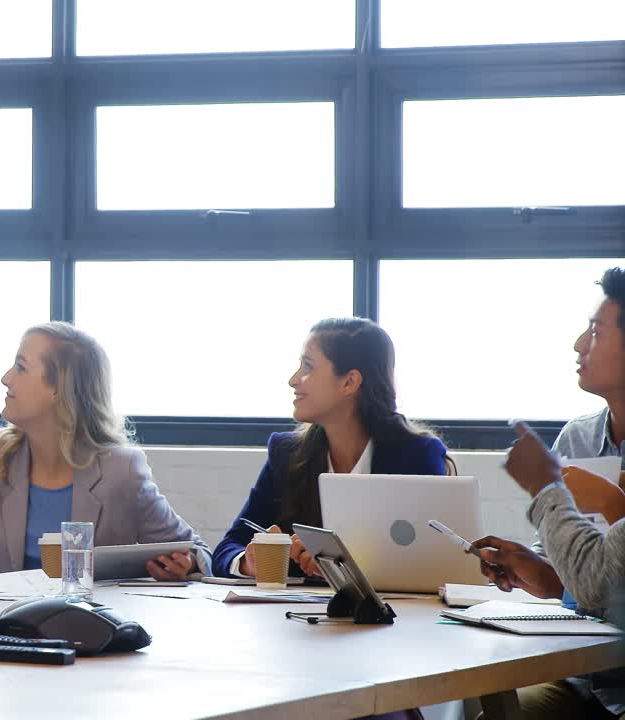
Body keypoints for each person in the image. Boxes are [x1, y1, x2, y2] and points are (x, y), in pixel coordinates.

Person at [0, 322, 209, 581]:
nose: (6, 378)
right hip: (2, 615)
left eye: (21, 367)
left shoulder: (121, 471)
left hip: (92, 614)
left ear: (59, 388)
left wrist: (185, 565)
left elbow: (199, 553)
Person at [472, 268, 625, 720]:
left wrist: (546, 487)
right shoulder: (578, 437)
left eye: (595, 331)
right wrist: (543, 572)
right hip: (581, 673)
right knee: (500, 711)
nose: (579, 344)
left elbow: (597, 583)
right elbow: (581, 580)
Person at [213, 317, 448, 580]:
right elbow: (227, 548)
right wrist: (249, 562)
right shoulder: (287, 453)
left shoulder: (417, 454)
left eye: (308, 366)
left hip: (391, 607)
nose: (293, 380)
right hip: (299, 608)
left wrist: (346, 566)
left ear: (349, 382)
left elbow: (438, 560)